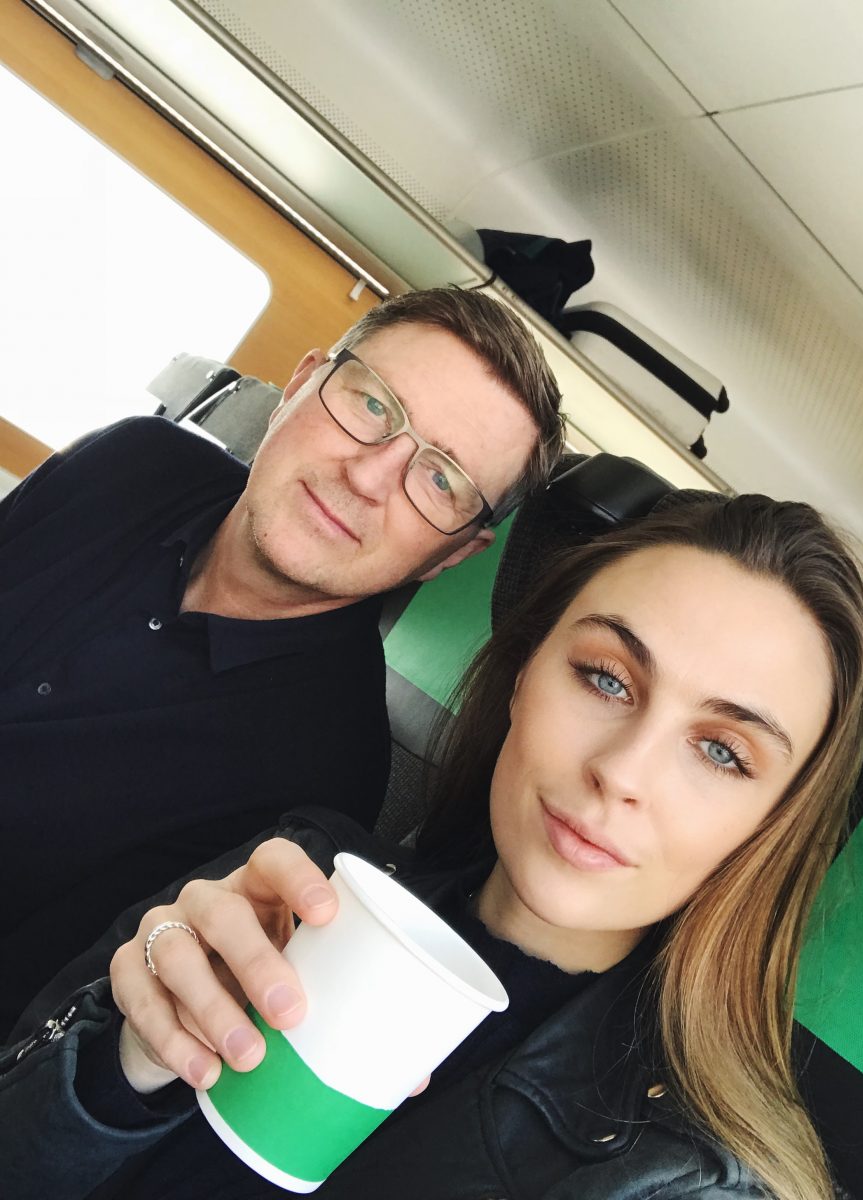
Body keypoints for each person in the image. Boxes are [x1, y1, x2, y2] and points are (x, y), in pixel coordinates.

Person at [0, 494, 863, 1200]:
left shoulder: (678, 1182)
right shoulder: (298, 874)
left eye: (723, 752)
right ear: (524, 677)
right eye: (605, 678)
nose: (622, 772)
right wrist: (125, 1063)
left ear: (769, 828)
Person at [0, 286, 564, 1036]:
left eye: (440, 481)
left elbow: (38, 1001)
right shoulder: (134, 459)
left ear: (451, 555)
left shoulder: (320, 783)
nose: (368, 478)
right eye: (373, 405)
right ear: (298, 385)